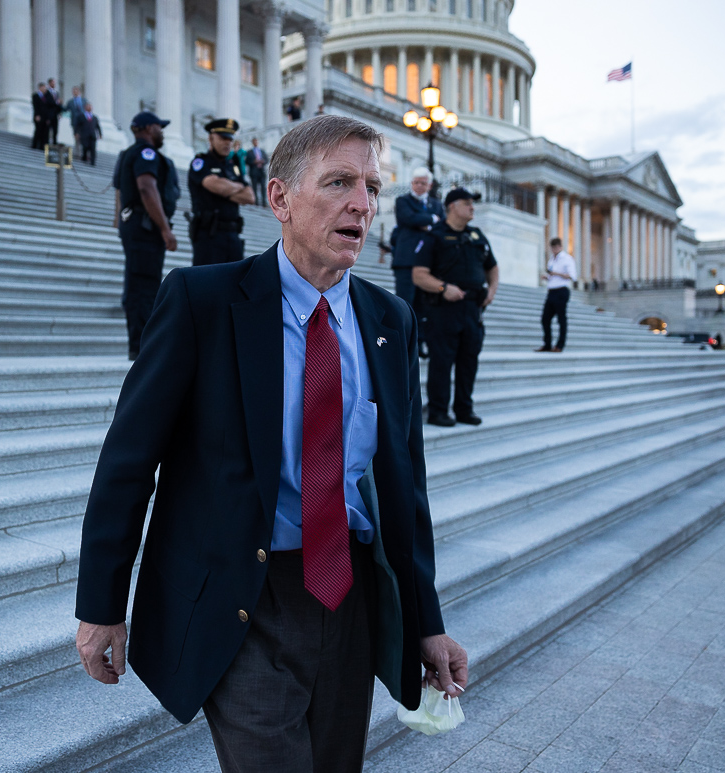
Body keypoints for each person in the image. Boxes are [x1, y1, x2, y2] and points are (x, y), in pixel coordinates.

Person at [74, 115, 468, 772]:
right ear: (280, 199)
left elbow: (405, 483)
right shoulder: (202, 302)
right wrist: (100, 604)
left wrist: (426, 618)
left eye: (370, 186)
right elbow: (128, 461)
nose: (361, 204)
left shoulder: (389, 321)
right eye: (339, 181)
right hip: (245, 597)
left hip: (350, 595)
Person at [412, 187, 499, 427]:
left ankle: (464, 409)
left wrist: (491, 291)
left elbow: (493, 267)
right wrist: (443, 288)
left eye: (473, 203)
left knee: (469, 361)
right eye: (467, 203)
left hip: (473, 309)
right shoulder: (434, 236)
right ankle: (438, 411)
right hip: (443, 310)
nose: (472, 207)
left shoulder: (477, 236)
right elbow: (419, 275)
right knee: (442, 361)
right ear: (452, 206)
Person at [117, 111, 179, 358]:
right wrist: (165, 229)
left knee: (141, 284)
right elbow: (146, 187)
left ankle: (141, 345)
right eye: (159, 127)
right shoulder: (146, 153)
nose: (161, 131)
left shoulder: (130, 154)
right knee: (144, 286)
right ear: (147, 128)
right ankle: (141, 347)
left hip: (138, 227)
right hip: (144, 228)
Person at [188, 118, 255, 266]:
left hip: (233, 234)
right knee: (207, 285)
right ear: (211, 138)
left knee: (233, 284)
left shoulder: (233, 167)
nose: (228, 143)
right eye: (223, 138)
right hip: (209, 235)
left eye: (230, 139)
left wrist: (224, 188)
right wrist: (237, 187)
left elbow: (250, 196)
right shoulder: (201, 162)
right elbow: (214, 185)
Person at [392, 167, 442, 307]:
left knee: (424, 306)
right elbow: (410, 218)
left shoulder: (437, 205)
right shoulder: (402, 201)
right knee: (405, 304)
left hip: (428, 263)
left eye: (423, 183)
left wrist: (423, 222)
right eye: (416, 182)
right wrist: (432, 219)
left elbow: (442, 225)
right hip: (406, 261)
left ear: (430, 185)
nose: (419, 186)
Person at [537, 237, 577, 352]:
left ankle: (560, 345)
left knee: (561, 319)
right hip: (551, 291)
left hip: (562, 291)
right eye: (552, 248)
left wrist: (555, 274)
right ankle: (547, 344)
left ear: (560, 247)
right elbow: (552, 275)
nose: (554, 250)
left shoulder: (567, 259)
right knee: (545, 319)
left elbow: (572, 276)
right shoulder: (551, 260)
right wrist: (548, 277)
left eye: (556, 247)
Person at [74, 101, 102, 165]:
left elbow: (98, 126)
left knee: (93, 149)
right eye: (88, 106)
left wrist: (100, 134)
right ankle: (84, 158)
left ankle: (92, 162)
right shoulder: (81, 116)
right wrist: (76, 133)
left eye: (90, 106)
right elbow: (77, 125)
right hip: (84, 135)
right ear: (85, 107)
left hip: (92, 135)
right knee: (85, 147)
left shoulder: (95, 118)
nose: (89, 107)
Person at [246, 137, 268, 206]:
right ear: (252, 143)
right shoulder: (249, 152)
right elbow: (247, 161)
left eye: (256, 141)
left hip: (261, 171)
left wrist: (263, 161)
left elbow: (266, 159)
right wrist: (253, 162)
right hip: (254, 172)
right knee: (254, 187)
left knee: (263, 187)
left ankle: (264, 202)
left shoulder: (262, 151)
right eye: (254, 141)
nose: (256, 143)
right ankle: (256, 201)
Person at [31, 82, 51, 149]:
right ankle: (35, 144)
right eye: (43, 87)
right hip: (38, 116)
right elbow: (35, 107)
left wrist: (48, 118)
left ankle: (42, 146)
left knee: (45, 132)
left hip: (45, 117)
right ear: (40, 88)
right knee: (38, 130)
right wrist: (37, 115)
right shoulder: (35, 96)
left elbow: (48, 107)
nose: (45, 89)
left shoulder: (46, 97)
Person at [46, 77, 63, 145]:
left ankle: (54, 143)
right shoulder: (46, 93)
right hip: (49, 114)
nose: (54, 84)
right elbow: (48, 103)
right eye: (53, 82)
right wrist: (56, 102)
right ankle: (46, 142)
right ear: (50, 83)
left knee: (55, 130)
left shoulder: (56, 93)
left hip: (55, 114)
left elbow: (58, 105)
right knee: (47, 129)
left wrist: (59, 112)